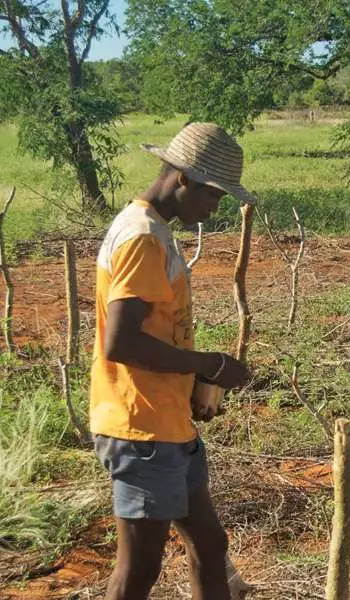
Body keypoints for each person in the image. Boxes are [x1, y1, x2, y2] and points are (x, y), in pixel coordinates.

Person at [90, 122, 252, 600]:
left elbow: (156, 331)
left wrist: (193, 383)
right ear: (184, 178)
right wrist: (210, 365)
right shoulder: (142, 236)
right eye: (214, 195)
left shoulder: (155, 230)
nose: (215, 207)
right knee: (138, 570)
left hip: (167, 419)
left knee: (209, 542)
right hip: (139, 426)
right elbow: (120, 343)